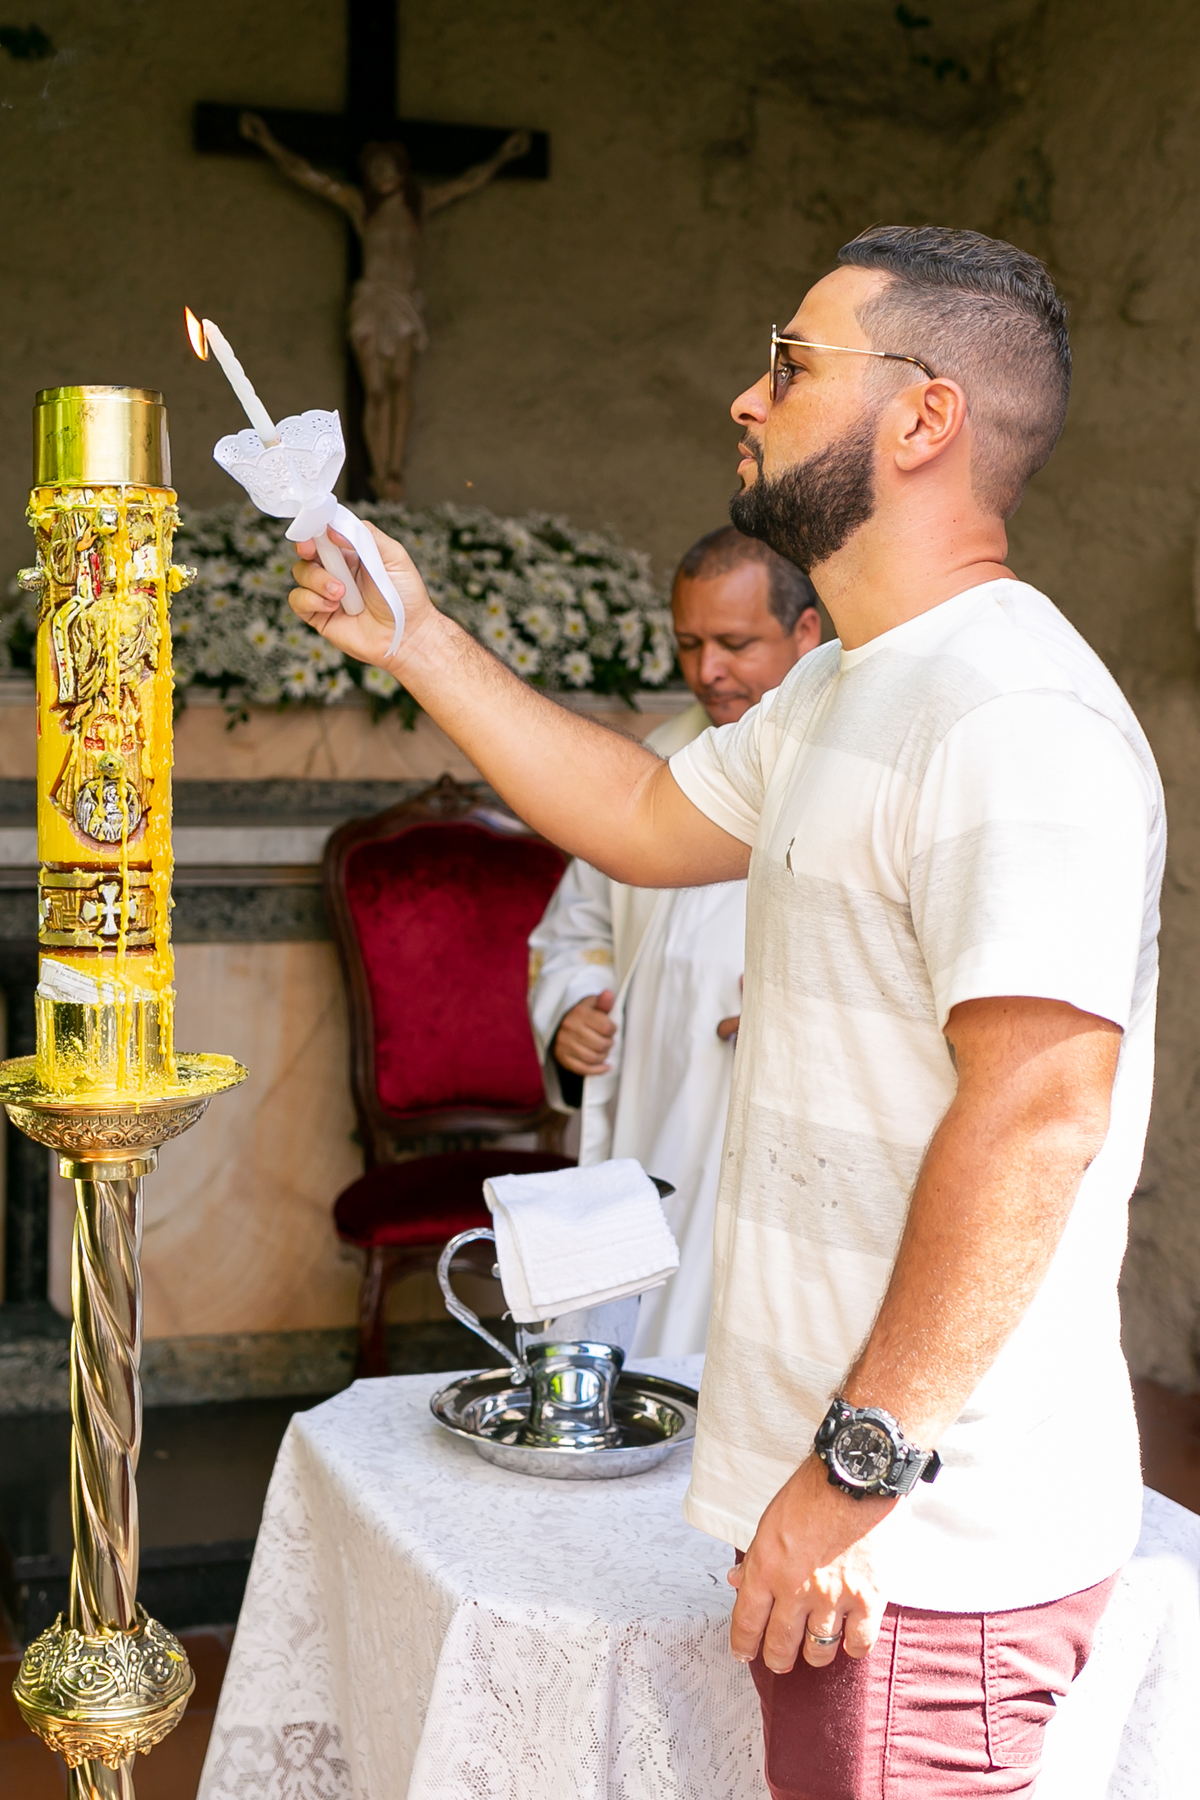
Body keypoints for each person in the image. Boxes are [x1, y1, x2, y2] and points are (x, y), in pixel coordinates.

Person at [289, 224, 1164, 1797]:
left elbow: (1040, 1115)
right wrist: (410, 634)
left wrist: (852, 1477)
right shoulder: (851, 685)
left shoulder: (1017, 713)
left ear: (923, 418)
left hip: (924, 1548)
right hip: (853, 1517)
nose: (745, 398)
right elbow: (637, 813)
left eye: (791, 362)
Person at [527, 527, 820, 1356]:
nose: (708, 671)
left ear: (807, 633)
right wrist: (571, 1009)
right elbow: (576, 924)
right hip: (652, 1113)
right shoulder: (656, 761)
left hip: (767, 1128)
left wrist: (809, 1023)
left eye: (736, 644)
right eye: (690, 644)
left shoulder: (848, 766)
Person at [240, 112, 531, 499]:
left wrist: (502, 156)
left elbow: (467, 182)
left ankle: (394, 469)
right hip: (372, 299)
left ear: (400, 168)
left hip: (402, 301)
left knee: (400, 383)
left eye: (386, 165)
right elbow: (309, 176)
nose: (379, 172)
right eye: (373, 167)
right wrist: (267, 141)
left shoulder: (419, 203)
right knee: (375, 389)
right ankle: (379, 471)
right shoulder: (362, 205)